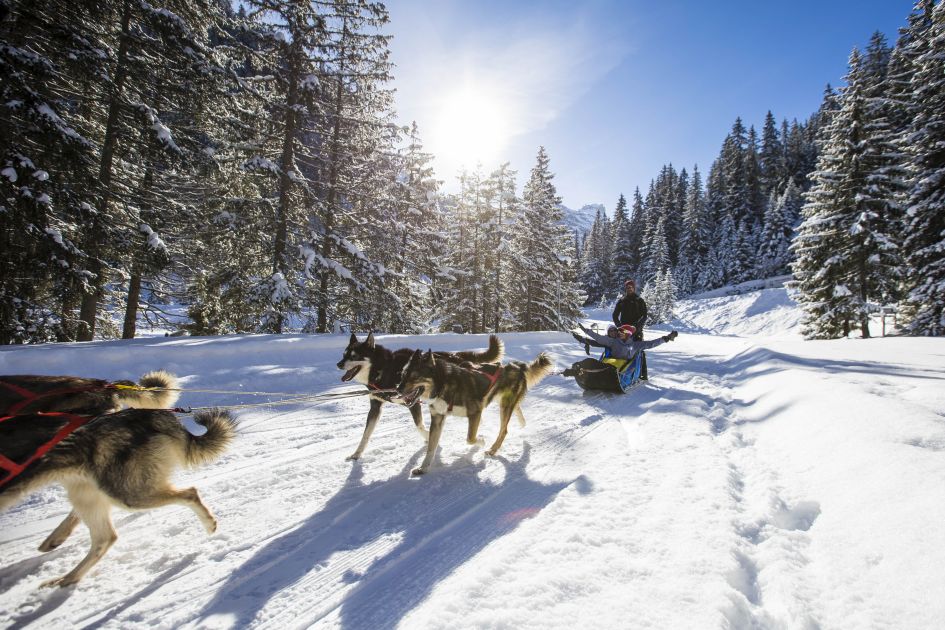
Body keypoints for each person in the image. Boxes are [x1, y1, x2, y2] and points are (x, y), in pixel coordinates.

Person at [563, 322, 677, 380]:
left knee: (607, 369)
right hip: (608, 363)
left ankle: (590, 374)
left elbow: (651, 343)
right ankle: (576, 369)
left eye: (622, 332)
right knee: (590, 362)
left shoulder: (636, 345)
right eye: (619, 332)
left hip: (621, 369)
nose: (619, 334)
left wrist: (665, 338)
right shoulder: (614, 341)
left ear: (627, 334)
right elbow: (599, 338)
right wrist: (587, 331)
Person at [612, 279, 649, 379]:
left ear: (634, 288)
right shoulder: (621, 301)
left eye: (631, 287)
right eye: (627, 287)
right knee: (621, 350)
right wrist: (619, 326)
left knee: (639, 350)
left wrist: (637, 327)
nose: (629, 289)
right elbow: (615, 315)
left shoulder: (640, 300)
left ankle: (643, 373)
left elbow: (644, 316)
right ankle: (620, 372)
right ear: (626, 289)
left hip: (636, 331)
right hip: (623, 331)